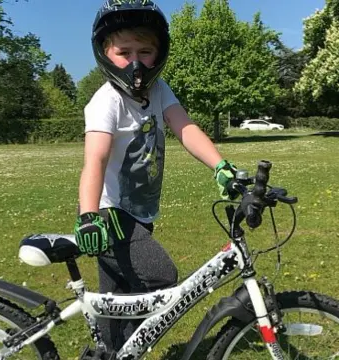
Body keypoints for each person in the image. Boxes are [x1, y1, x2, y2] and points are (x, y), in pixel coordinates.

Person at [74, 0, 238, 353]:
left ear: (159, 53)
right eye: (124, 51)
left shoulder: (159, 90)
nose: (135, 61)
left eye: (145, 51)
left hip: (139, 215)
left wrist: (221, 166)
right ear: (104, 52)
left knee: (117, 301)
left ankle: (108, 353)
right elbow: (95, 160)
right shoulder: (107, 102)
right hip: (109, 217)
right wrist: (88, 215)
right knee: (161, 277)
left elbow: (186, 128)